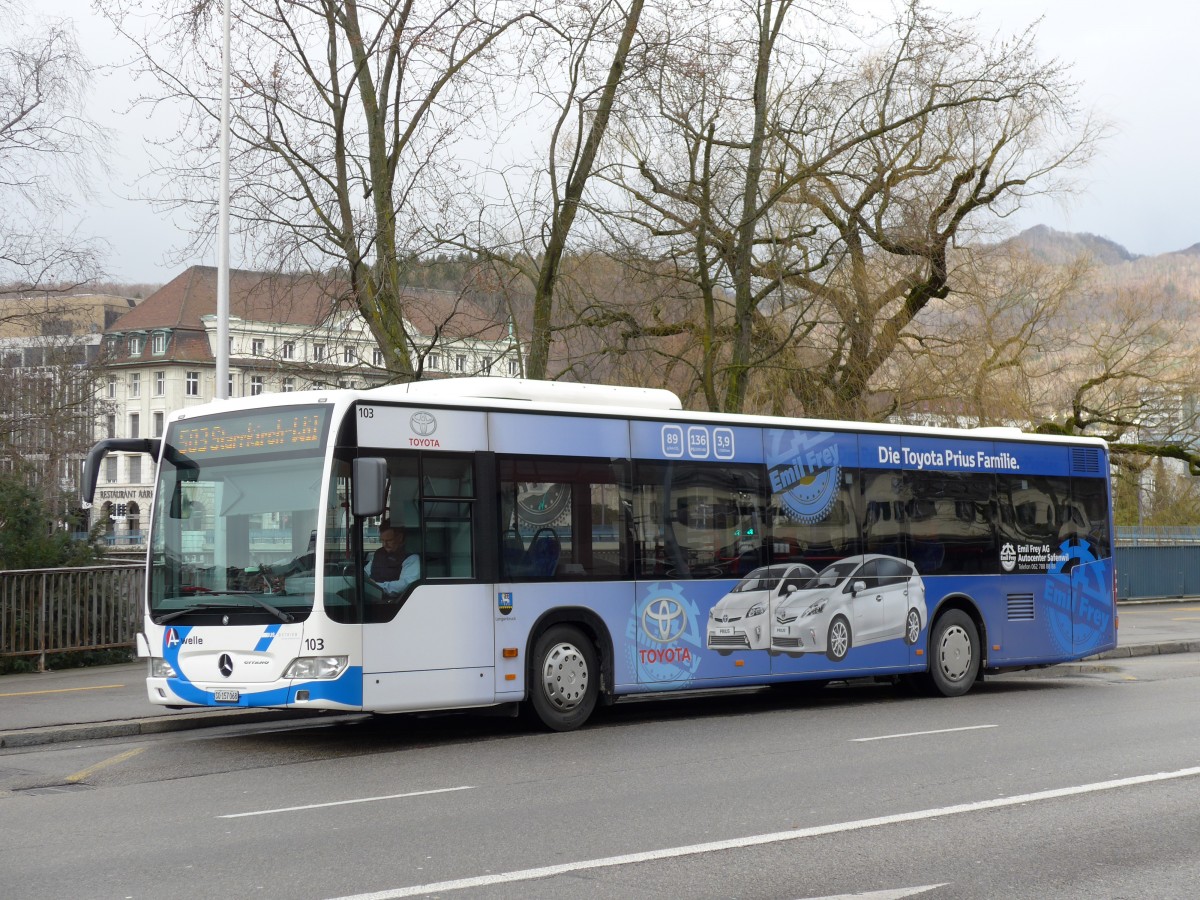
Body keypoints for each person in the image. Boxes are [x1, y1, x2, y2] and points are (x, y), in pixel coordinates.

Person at [367, 523, 420, 596]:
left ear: (400, 538)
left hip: (395, 602)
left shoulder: (412, 558)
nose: (384, 544)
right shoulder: (378, 553)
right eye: (382, 540)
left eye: (389, 540)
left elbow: (405, 585)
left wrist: (376, 586)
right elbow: (366, 572)